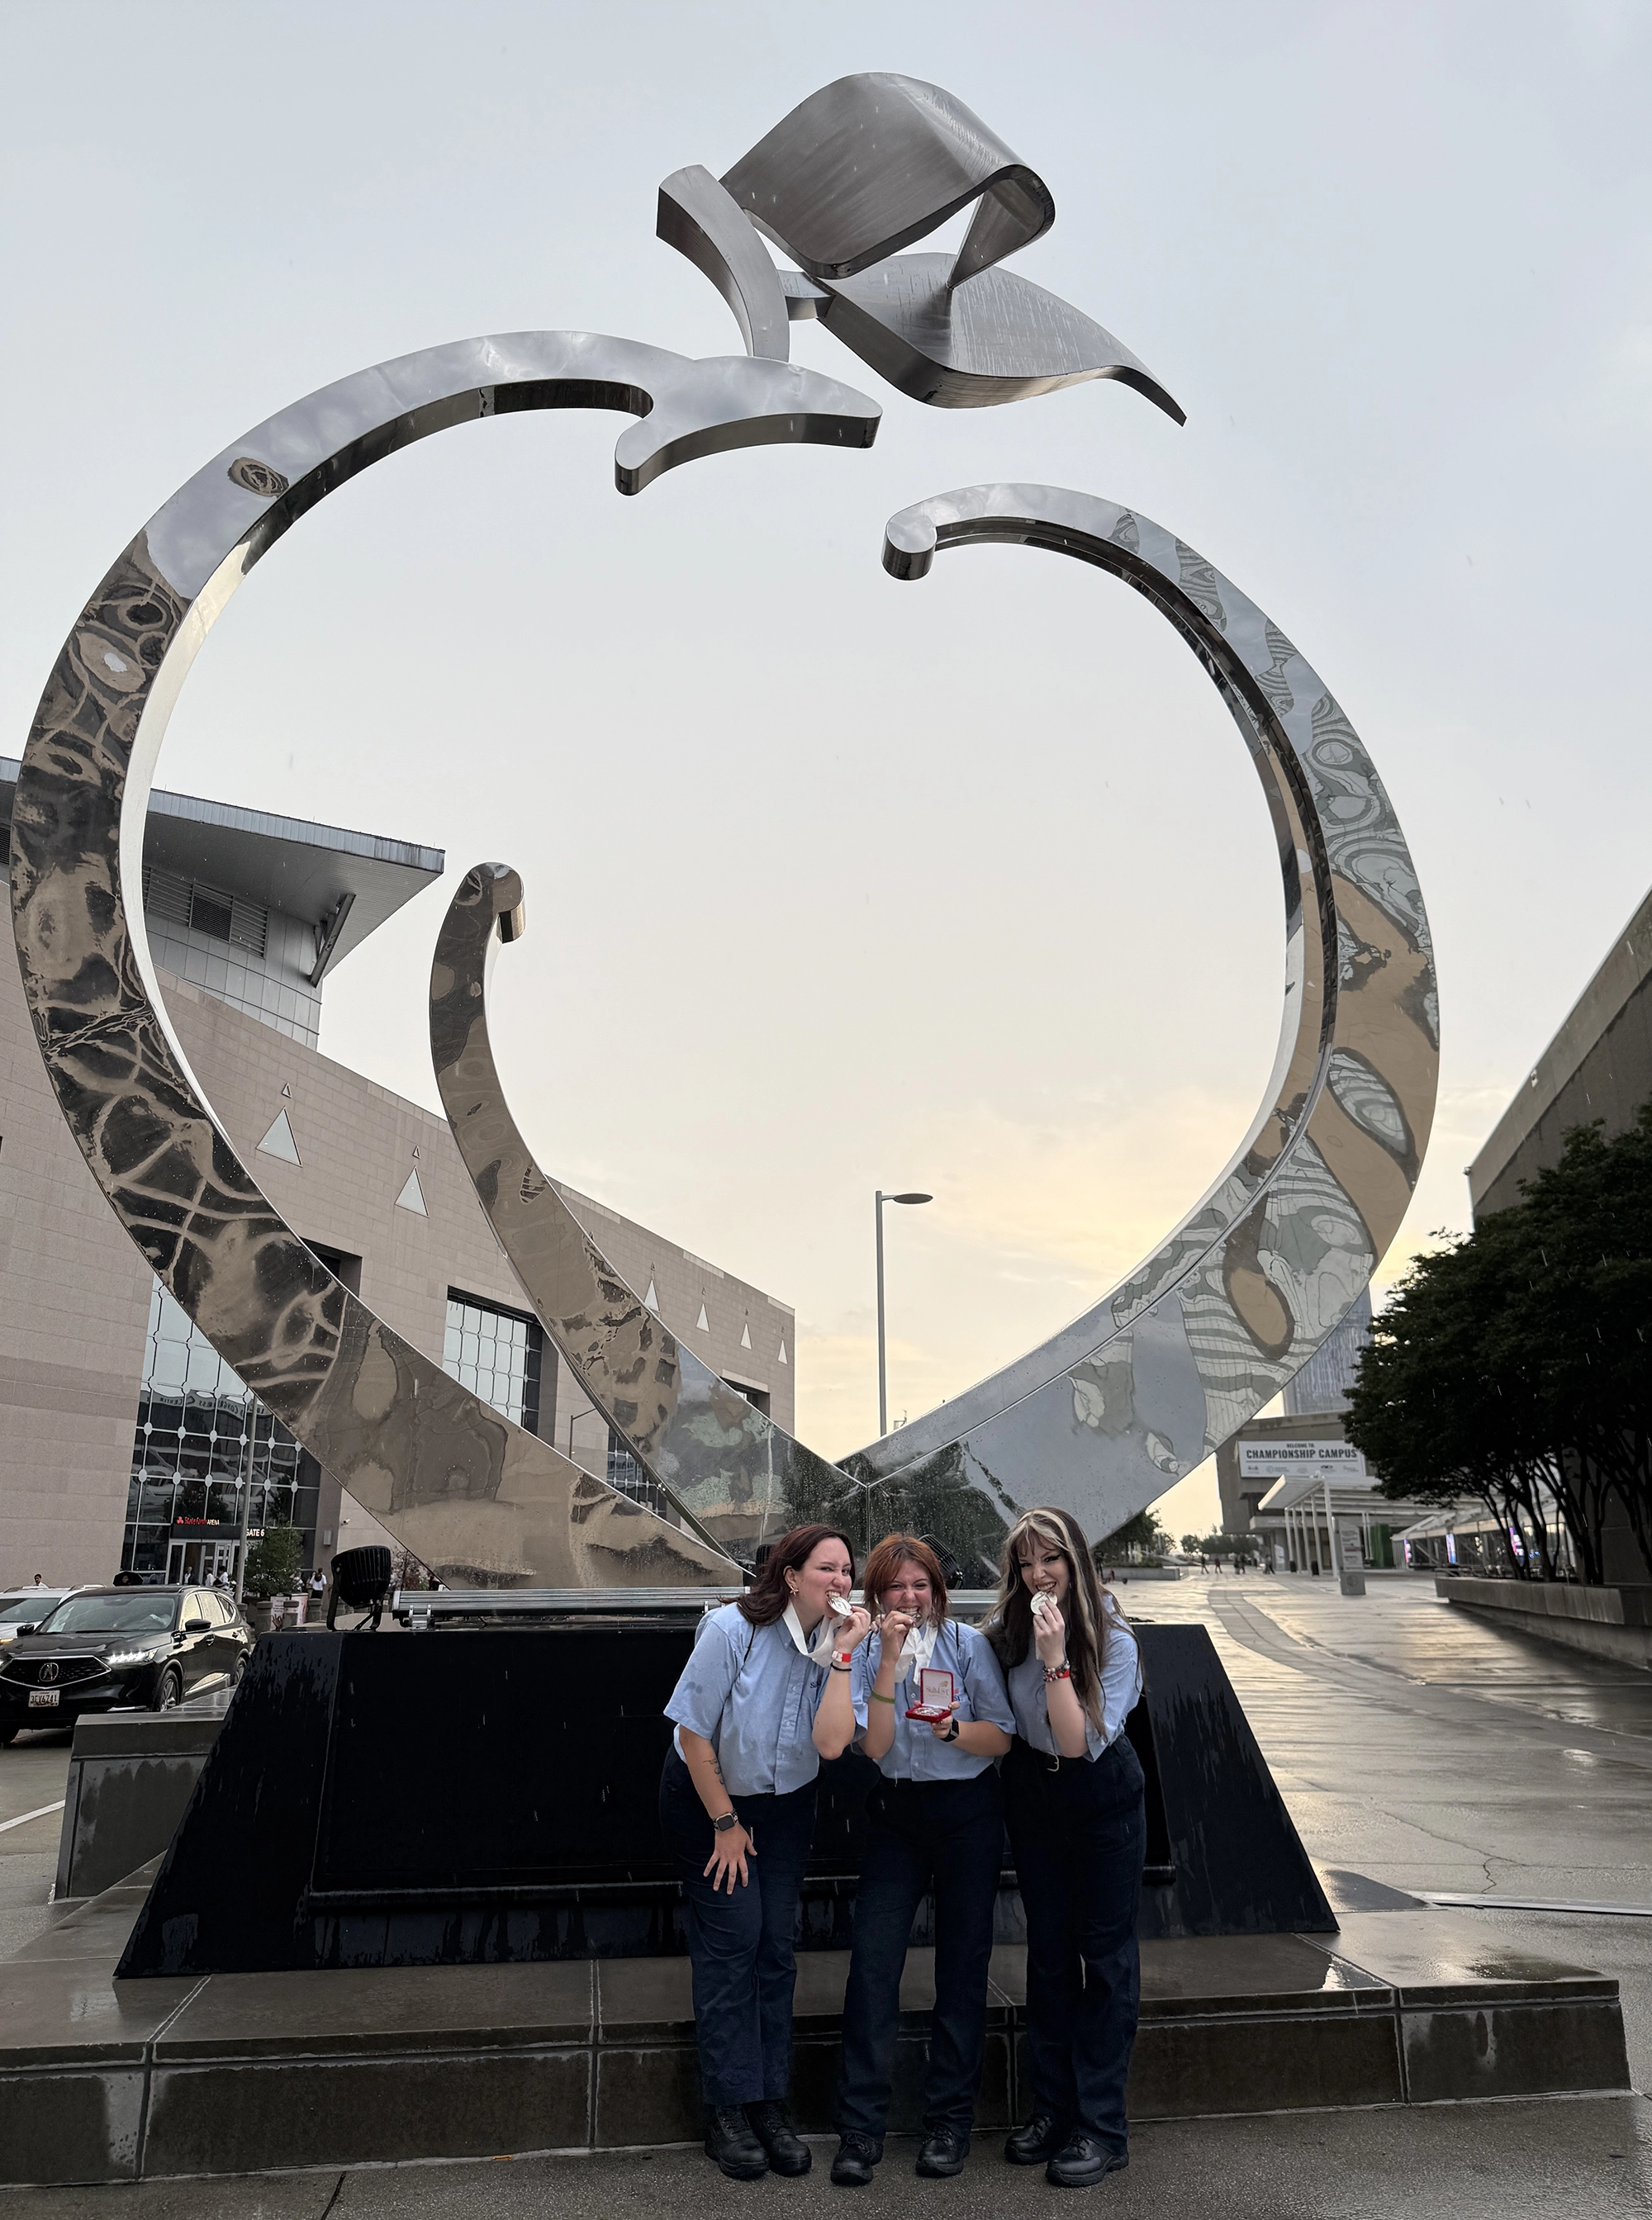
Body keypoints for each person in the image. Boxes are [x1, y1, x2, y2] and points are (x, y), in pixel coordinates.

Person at [661, 1523, 870, 2183]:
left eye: (847, 1571)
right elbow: (693, 1734)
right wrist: (724, 1821)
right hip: (709, 1797)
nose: (841, 1582)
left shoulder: (845, 1641)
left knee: (777, 1946)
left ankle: (769, 2104)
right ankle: (726, 2107)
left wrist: (844, 1658)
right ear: (789, 1575)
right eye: (827, 1569)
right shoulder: (730, 1630)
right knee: (734, 1939)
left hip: (784, 1806)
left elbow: (835, 1744)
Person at [815, 1534, 1014, 2187]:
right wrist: (889, 1660)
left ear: (937, 1590)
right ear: (877, 1594)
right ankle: (860, 2128)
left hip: (967, 1816)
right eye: (896, 1587)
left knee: (963, 1965)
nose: (909, 1597)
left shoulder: (967, 1645)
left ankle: (949, 2122)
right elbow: (873, 1748)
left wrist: (954, 1727)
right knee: (873, 1966)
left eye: (920, 1585)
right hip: (897, 1815)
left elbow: (1001, 1738)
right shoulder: (867, 1648)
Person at [990, 1507, 1144, 2190]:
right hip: (1035, 1798)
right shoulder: (1009, 1634)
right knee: (1049, 1957)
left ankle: (1102, 2129)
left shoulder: (1114, 1640)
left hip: (1101, 1798)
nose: (1037, 1574)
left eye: (1049, 1559)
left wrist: (1056, 1663)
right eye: (1025, 1563)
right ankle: (1052, 2111)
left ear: (1075, 1560)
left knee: (1104, 1960)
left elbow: (1078, 1741)